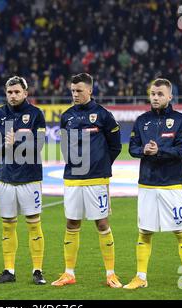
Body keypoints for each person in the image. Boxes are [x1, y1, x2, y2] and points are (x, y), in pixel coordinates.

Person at [125, 78, 182, 291]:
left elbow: (180, 150)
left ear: (170, 96)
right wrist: (143, 151)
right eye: (153, 94)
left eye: (160, 94)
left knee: (181, 231)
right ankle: (141, 277)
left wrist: (159, 151)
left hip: (172, 184)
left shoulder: (180, 120)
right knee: (144, 231)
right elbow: (132, 148)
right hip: (147, 183)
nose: (155, 97)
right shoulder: (141, 120)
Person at [51, 73, 122, 287]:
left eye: (79, 90)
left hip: (97, 179)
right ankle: (69, 273)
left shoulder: (103, 115)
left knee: (102, 223)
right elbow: (64, 146)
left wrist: (101, 164)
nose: (75, 94)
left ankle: (111, 274)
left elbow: (116, 145)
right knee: (72, 223)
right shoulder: (67, 116)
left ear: (90, 90)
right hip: (73, 178)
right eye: (72, 91)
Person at [0, 76, 47, 285]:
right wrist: (6, 145)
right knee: (7, 225)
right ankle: (8, 271)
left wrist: (17, 141)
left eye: (16, 92)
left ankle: (37, 270)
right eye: (9, 92)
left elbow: (38, 145)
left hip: (30, 178)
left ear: (25, 93)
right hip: (5, 178)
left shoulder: (36, 114)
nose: (13, 96)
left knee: (33, 224)